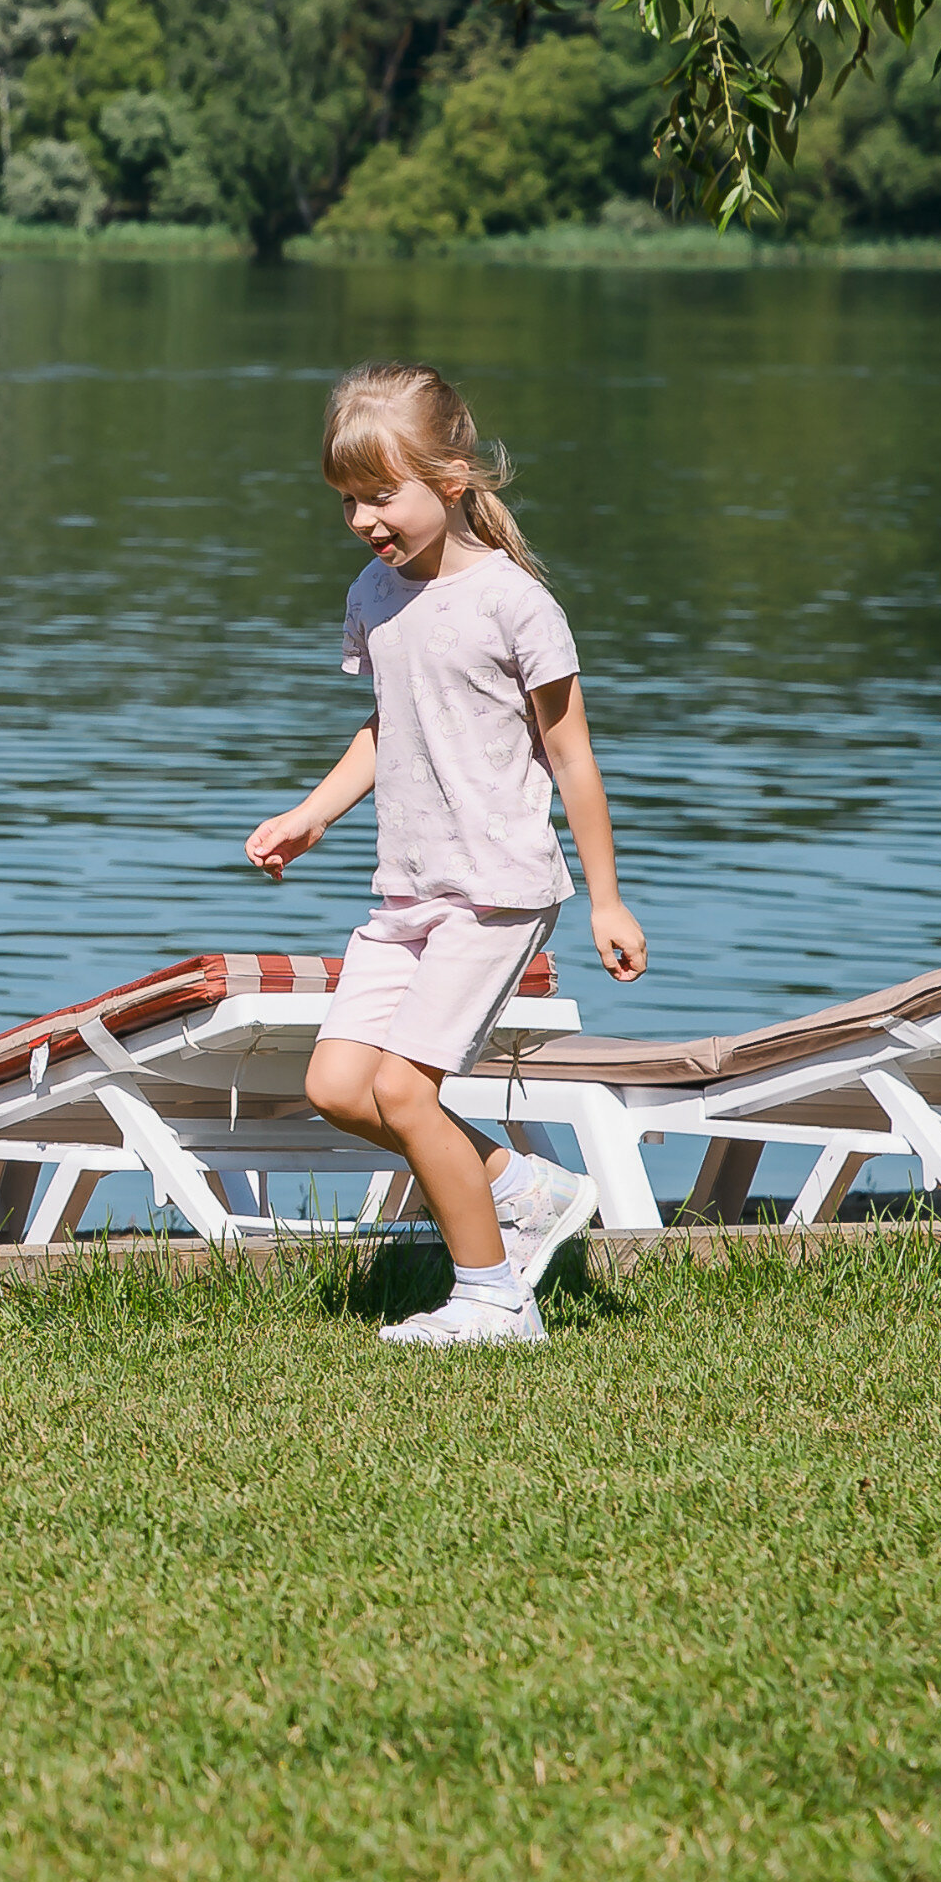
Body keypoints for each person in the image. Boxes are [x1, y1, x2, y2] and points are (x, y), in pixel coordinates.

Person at [243, 362, 644, 1348]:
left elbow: (570, 753)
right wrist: (313, 813)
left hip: (497, 889)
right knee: (338, 1086)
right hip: (408, 891)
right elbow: (387, 728)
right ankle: (518, 1187)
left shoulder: (514, 605)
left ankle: (493, 1300)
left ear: (450, 478)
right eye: (346, 500)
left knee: (401, 1091)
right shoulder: (372, 596)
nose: (362, 520)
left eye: (381, 496)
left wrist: (605, 900)